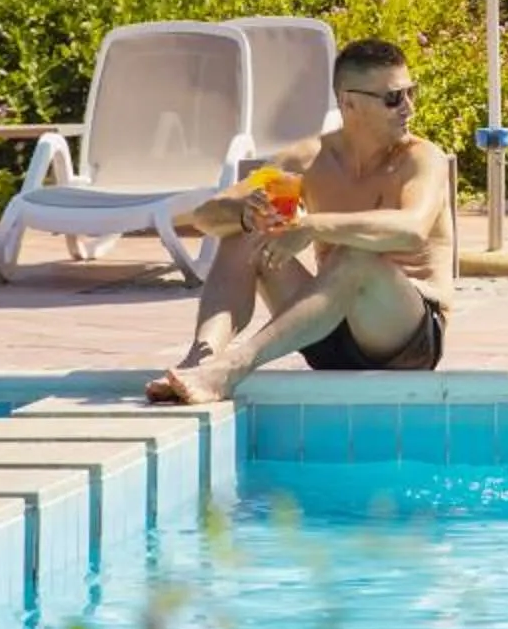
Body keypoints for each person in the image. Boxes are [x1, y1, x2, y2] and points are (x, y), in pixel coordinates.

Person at [146, 36, 453, 405]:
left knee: (354, 257)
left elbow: (412, 231)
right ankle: (202, 360)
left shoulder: (421, 159)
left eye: (410, 93)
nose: (408, 108)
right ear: (348, 102)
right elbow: (208, 217)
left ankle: (234, 367)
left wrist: (312, 226)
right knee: (243, 235)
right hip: (324, 333)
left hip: (405, 338)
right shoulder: (309, 160)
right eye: (393, 98)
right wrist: (244, 214)